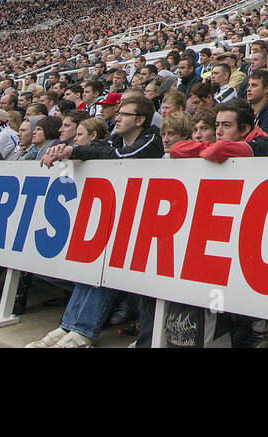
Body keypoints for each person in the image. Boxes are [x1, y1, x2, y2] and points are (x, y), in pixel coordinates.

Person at [30, 98, 164, 348]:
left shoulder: (152, 138)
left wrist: (74, 150)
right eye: (119, 113)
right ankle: (68, 325)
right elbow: (101, 149)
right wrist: (74, 151)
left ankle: (83, 330)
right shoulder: (116, 138)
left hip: (146, 225)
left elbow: (121, 156)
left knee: (108, 269)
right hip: (116, 217)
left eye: (125, 114)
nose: (118, 117)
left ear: (140, 120)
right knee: (91, 267)